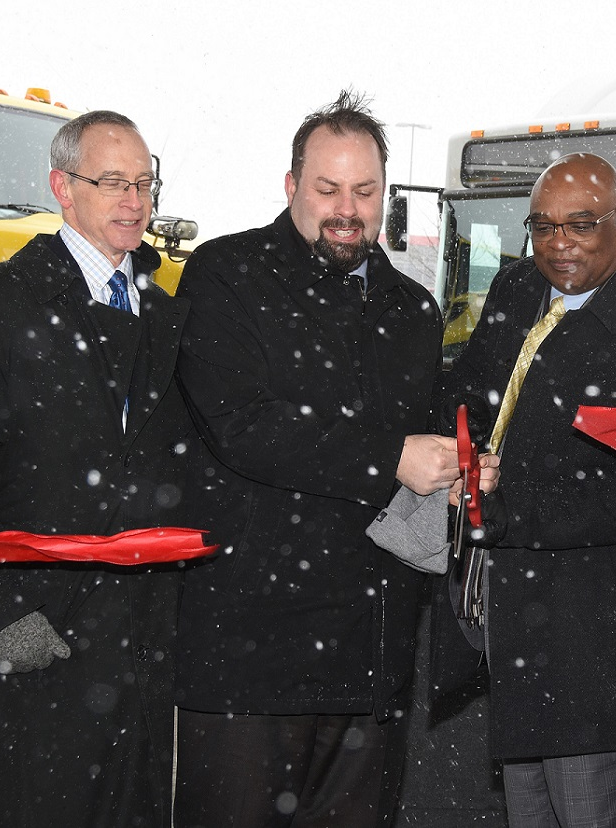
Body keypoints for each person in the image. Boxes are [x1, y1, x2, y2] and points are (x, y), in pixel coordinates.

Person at [172, 91, 461, 828]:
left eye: (365, 191)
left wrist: (461, 466)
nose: (347, 209)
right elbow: (242, 427)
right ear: (291, 184)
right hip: (248, 649)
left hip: (369, 657)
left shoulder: (411, 309)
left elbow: (427, 443)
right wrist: (392, 456)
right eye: (327, 189)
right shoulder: (224, 275)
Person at [0, 110, 192, 827]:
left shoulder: (167, 314)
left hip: (131, 652)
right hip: (22, 645)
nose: (133, 201)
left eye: (144, 183)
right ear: (62, 187)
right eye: (111, 182)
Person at [433, 152, 616, 828]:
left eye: (581, 225)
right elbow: (470, 392)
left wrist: (505, 507)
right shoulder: (516, 291)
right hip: (510, 630)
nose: (558, 244)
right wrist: (459, 451)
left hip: (601, 646)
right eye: (542, 226)